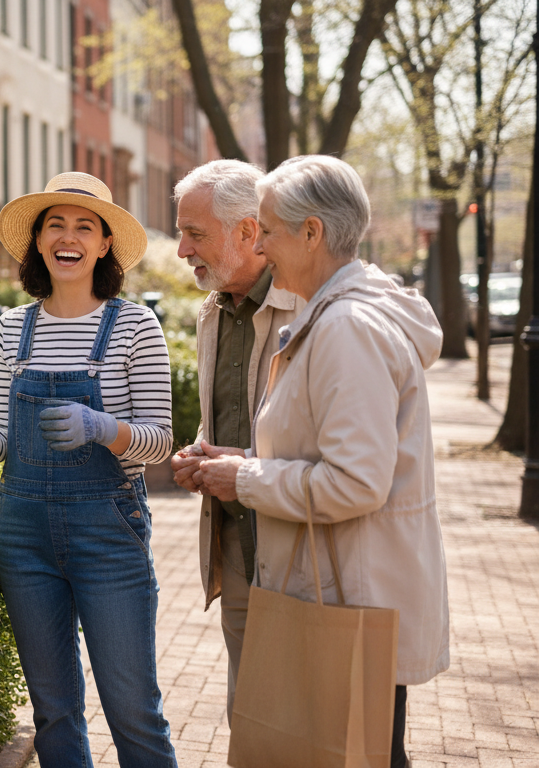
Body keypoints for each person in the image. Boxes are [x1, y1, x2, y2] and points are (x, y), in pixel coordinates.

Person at [0, 172, 178, 767]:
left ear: (103, 246)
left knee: (133, 711)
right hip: (24, 533)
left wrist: (103, 429)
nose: (68, 238)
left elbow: (160, 442)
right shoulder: (13, 328)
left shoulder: (134, 327)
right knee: (52, 712)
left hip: (108, 533)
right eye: (55, 226)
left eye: (84, 227)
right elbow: (1, 439)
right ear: (39, 242)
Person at [194, 155, 450, 768]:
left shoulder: (346, 329)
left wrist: (245, 477)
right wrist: (248, 458)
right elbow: (334, 452)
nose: (264, 247)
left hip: (350, 596)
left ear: (311, 233)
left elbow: (356, 482)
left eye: (271, 230)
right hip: (347, 590)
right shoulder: (339, 317)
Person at [166, 159, 305, 722]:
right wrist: (200, 452)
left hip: (301, 558)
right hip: (237, 551)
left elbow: (329, 446)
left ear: (249, 232)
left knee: (314, 728)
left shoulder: (309, 307)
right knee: (249, 721)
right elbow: (229, 415)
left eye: (194, 234)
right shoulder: (212, 312)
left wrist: (243, 467)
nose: (181, 251)